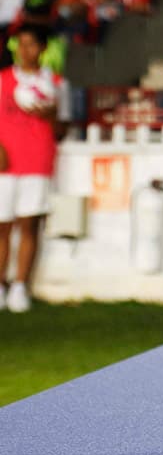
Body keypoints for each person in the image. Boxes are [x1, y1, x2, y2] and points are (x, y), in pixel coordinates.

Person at [0, 24, 68, 313]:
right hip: (5, 162)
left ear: (42, 48)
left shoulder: (55, 83)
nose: (25, 50)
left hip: (37, 159)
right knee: (2, 226)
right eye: (21, 44)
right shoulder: (2, 80)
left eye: (31, 44)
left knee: (30, 225)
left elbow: (62, 130)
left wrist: (51, 116)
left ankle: (19, 286)